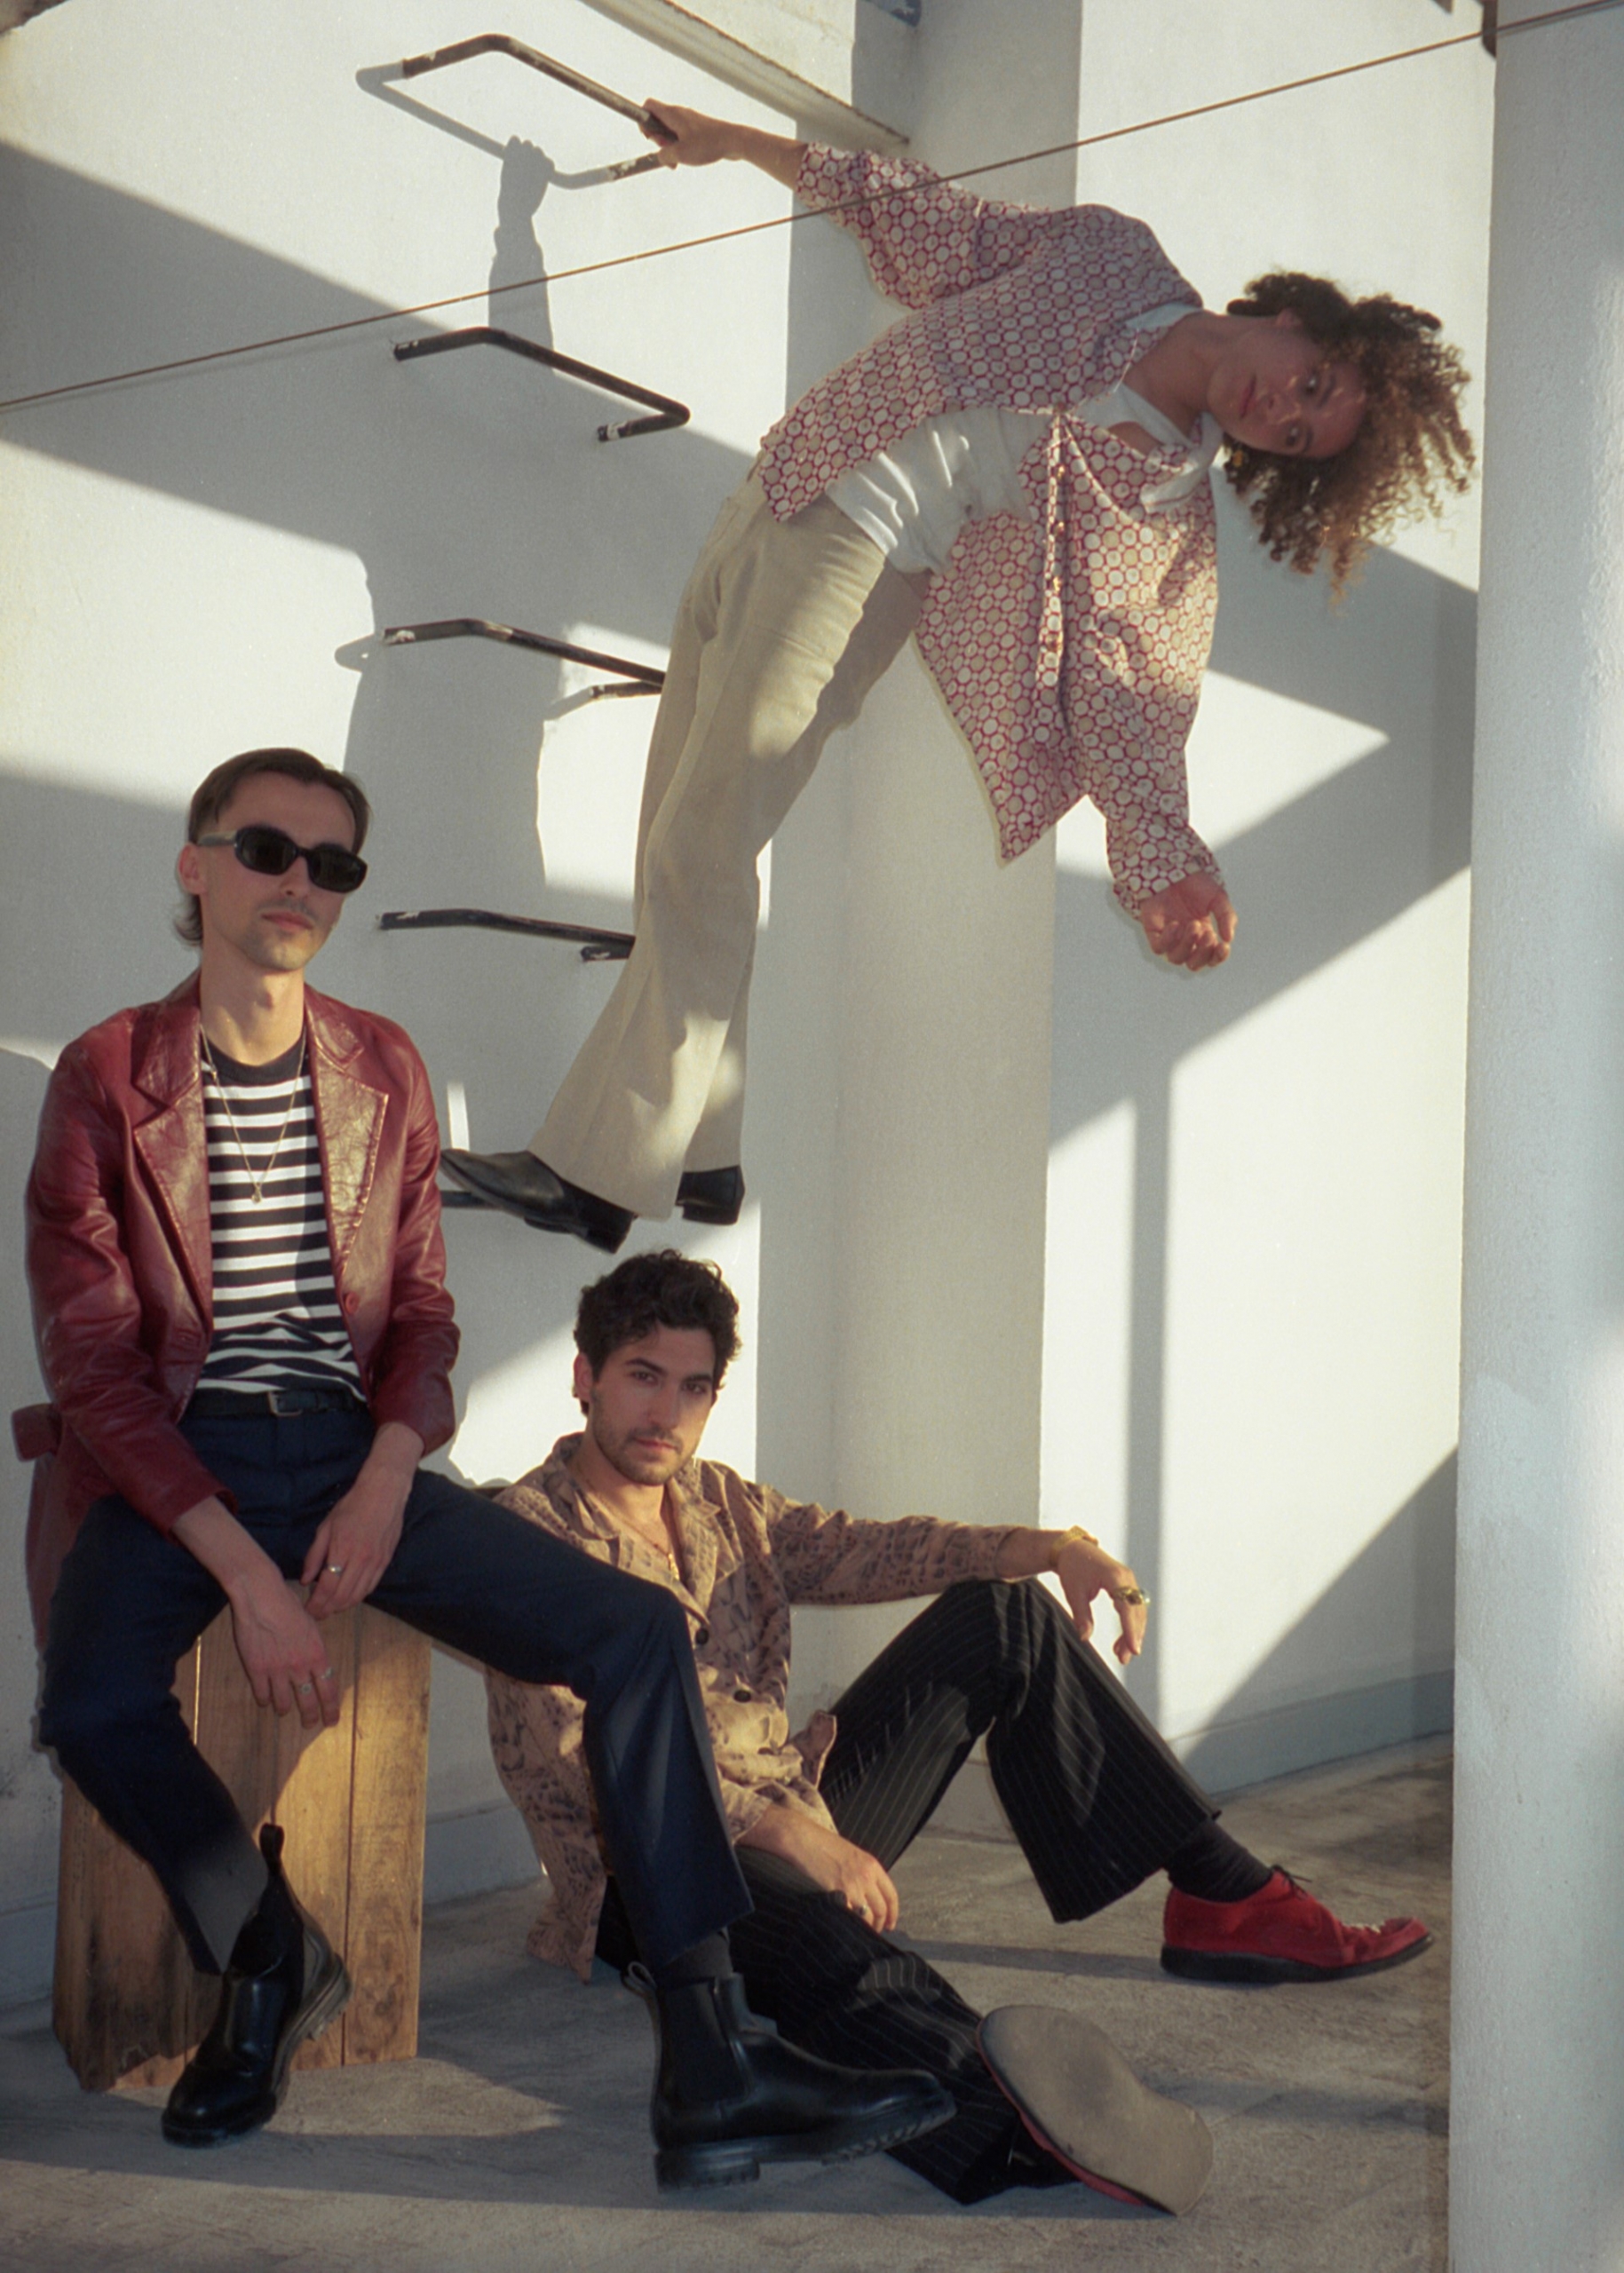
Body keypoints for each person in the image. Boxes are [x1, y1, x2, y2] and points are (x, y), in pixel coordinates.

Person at [18, 746, 954, 2188]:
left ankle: (711, 2063)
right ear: (196, 867)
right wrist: (251, 1583)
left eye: (332, 864)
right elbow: (92, 1368)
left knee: (633, 1631)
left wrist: (389, 1474)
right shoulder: (106, 1076)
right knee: (87, 1702)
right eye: (267, 850)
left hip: (357, 1451)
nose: (298, 883)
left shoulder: (380, 1066)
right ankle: (267, 1958)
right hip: (175, 1464)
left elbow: (423, 1316)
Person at [441, 102, 1475, 1251]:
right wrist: (738, 144)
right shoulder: (1112, 257)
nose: (1280, 412)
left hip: (860, 564)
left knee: (703, 839)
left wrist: (1163, 863)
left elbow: (1127, 694)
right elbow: (934, 224)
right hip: (788, 481)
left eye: (1297, 438)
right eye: (1312, 384)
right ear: (1293, 318)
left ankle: (600, 1172)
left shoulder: (1156, 506)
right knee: (678, 830)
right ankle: (704, 1155)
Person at [484, 1249, 1431, 2209]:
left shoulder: (719, 1500)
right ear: (585, 1377)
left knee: (1002, 1614)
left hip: (787, 1803)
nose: (667, 1413)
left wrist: (1051, 1547)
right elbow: (583, 1761)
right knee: (825, 1951)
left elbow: (874, 1548)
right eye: (643, 1377)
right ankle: (1007, 2114)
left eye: (693, 1388)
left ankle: (1227, 1900)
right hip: (644, 1873)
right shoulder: (526, 1535)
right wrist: (797, 1839)